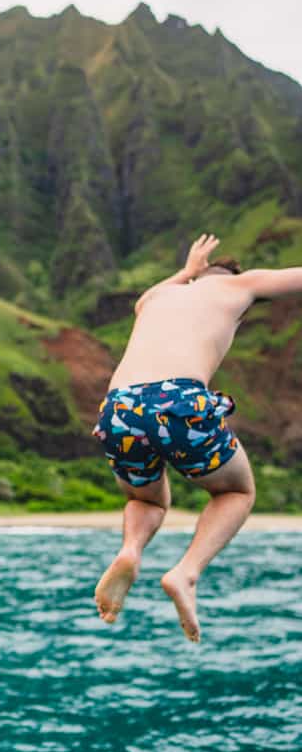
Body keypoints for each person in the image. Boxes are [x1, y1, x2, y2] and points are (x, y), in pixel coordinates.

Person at [92, 233, 302, 642]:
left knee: (145, 498)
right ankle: (186, 573)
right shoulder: (240, 285)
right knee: (236, 493)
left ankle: (131, 550)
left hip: (118, 406)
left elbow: (146, 298)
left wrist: (188, 271)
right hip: (179, 399)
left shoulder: (156, 299)